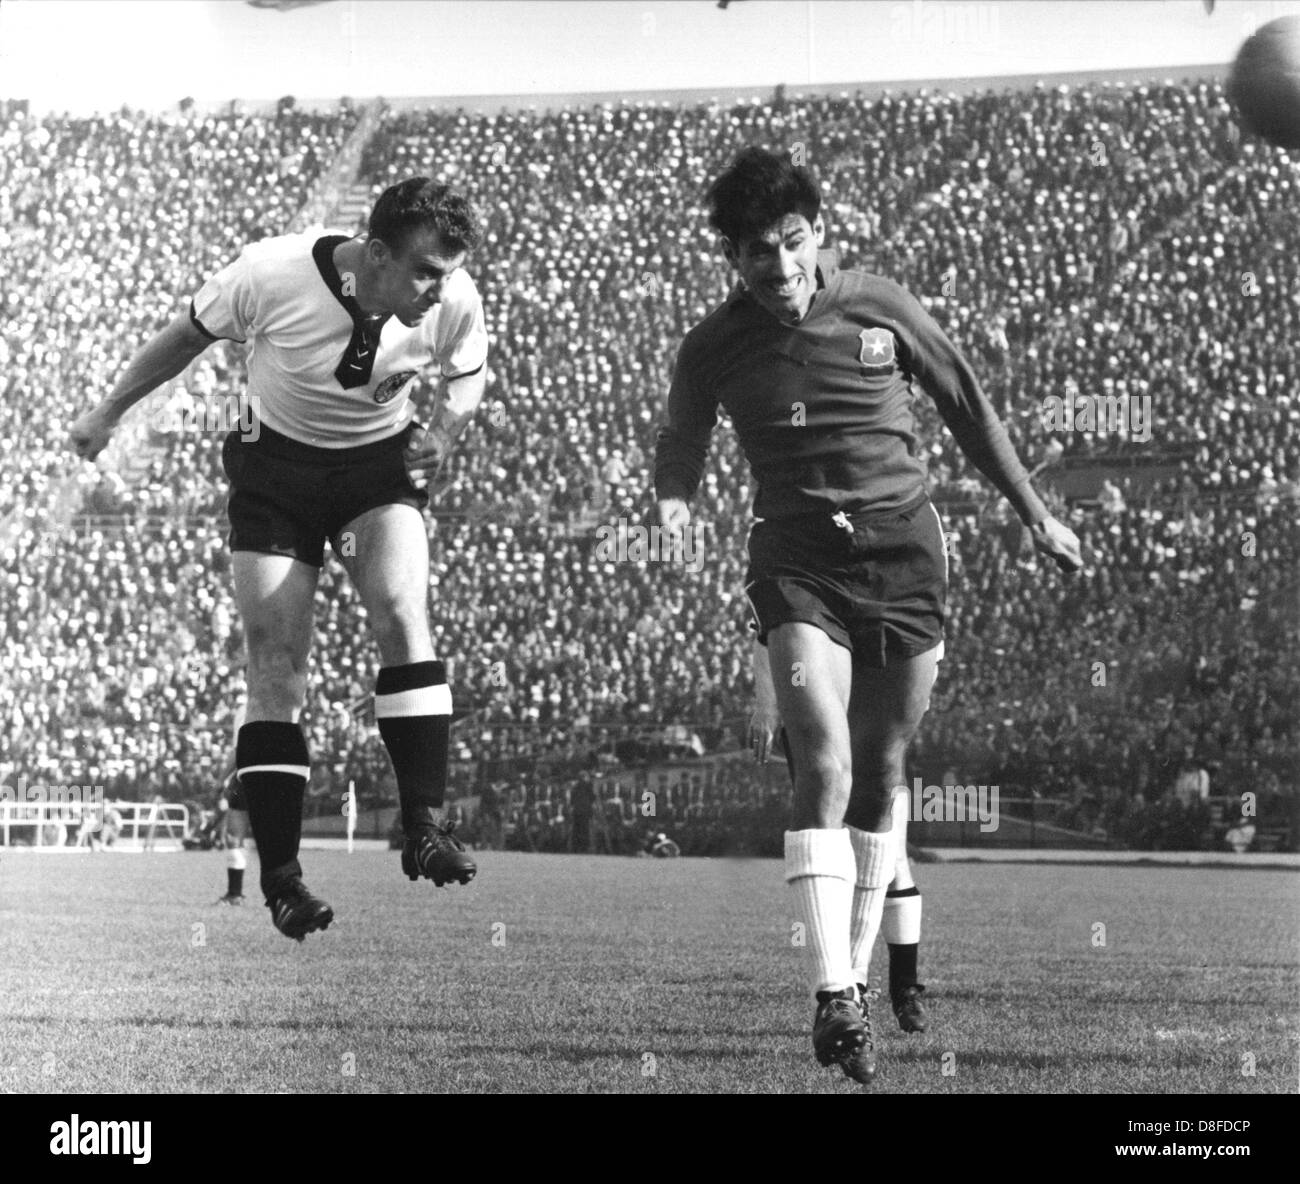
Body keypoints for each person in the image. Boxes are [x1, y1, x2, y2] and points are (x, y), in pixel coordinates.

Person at [654, 148, 1082, 1084]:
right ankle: (835, 995)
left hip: (903, 554)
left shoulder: (882, 306)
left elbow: (968, 405)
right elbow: (681, 432)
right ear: (729, 255)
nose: (778, 267)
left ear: (820, 232)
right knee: (825, 758)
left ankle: (853, 984)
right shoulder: (713, 343)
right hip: (797, 561)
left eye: (793, 243)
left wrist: (1036, 513)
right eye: (756, 252)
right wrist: (674, 501)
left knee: (882, 775)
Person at [70, 177, 489, 941]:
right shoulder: (272, 272)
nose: (439, 289)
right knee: (275, 664)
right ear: (377, 253)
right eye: (425, 271)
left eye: (448, 273)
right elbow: (185, 338)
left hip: (375, 468)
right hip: (276, 473)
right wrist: (109, 411)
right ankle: (283, 881)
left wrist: (445, 434)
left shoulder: (455, 300)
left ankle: (424, 826)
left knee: (402, 611)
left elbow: (466, 372)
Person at [750, 638, 928, 1034]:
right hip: (819, 712)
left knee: (893, 856)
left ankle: (902, 989)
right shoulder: (799, 587)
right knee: (832, 840)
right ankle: (846, 990)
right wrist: (766, 704)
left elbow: (922, 657)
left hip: (875, 718)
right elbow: (766, 628)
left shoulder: (915, 589)